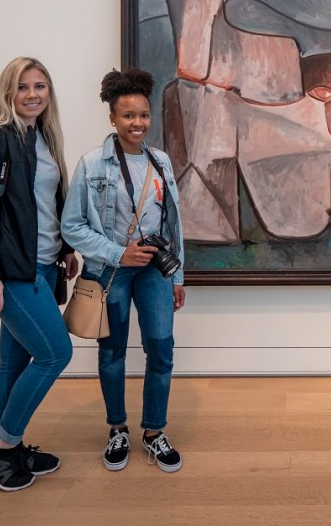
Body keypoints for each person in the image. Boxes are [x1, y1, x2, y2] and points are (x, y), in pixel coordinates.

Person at [0, 57, 77, 492]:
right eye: (22, 86)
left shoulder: (44, 138)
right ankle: (0, 446)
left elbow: (47, 205)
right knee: (55, 354)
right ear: (8, 92)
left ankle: (12, 448)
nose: (32, 94)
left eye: (40, 86)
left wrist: (65, 249)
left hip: (43, 264)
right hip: (11, 272)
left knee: (14, 361)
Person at [61, 68, 186, 473]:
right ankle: (117, 428)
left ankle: (153, 431)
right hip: (110, 271)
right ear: (113, 118)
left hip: (154, 271)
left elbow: (174, 224)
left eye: (143, 115)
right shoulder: (91, 163)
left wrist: (177, 276)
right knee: (112, 350)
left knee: (161, 348)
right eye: (128, 115)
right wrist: (119, 253)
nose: (138, 123)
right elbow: (71, 226)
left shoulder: (160, 161)